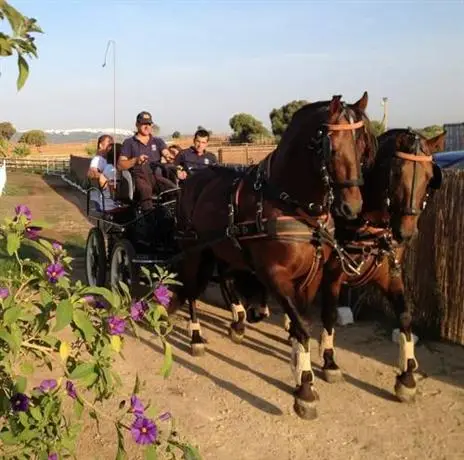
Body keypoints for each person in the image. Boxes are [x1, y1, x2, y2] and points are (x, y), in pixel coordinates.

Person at [117, 111, 172, 211]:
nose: (147, 127)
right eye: (144, 124)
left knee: (173, 189)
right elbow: (120, 165)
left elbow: (166, 153)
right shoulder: (129, 142)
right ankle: (149, 218)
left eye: (149, 124)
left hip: (156, 176)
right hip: (139, 177)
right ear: (137, 125)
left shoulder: (158, 141)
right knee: (145, 189)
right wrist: (136, 160)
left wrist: (169, 157)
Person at [90, 143, 122, 212]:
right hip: (111, 206)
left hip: (107, 204)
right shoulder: (112, 170)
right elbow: (114, 194)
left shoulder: (109, 167)